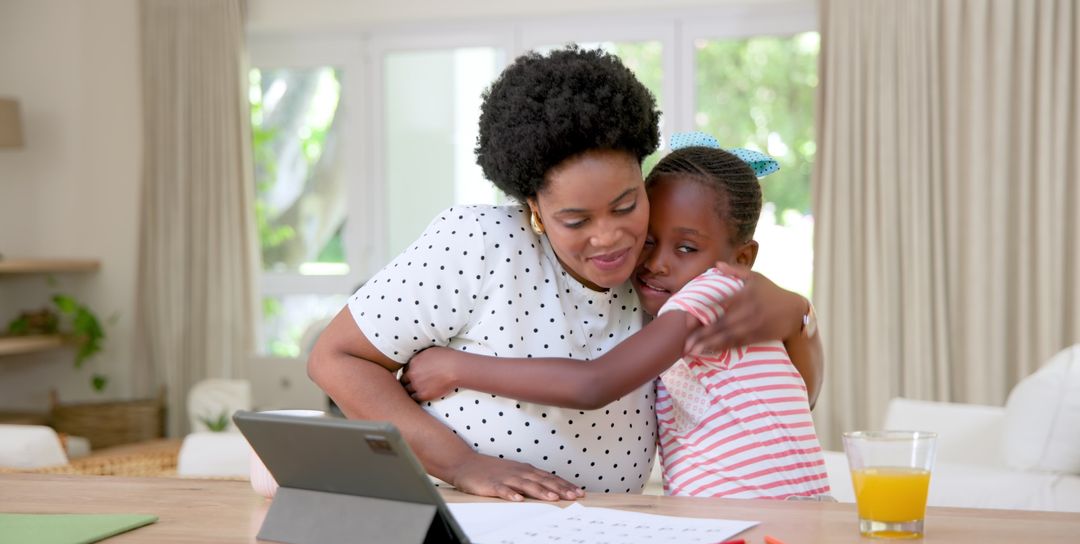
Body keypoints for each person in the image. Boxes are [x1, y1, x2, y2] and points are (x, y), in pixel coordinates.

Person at [307, 46, 822, 502]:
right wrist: (462, 465)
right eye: (576, 221)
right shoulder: (480, 241)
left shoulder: (659, 280)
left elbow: (792, 393)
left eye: (626, 206)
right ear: (534, 208)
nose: (610, 238)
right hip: (476, 520)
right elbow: (337, 358)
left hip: (612, 532)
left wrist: (797, 311)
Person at [401, 133, 829, 499]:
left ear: (742, 258)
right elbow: (803, 396)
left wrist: (456, 367)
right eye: (648, 241)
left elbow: (594, 384)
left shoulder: (709, 295)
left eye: (686, 248)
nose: (656, 263)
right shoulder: (706, 302)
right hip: (774, 510)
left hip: (756, 515)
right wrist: (801, 313)